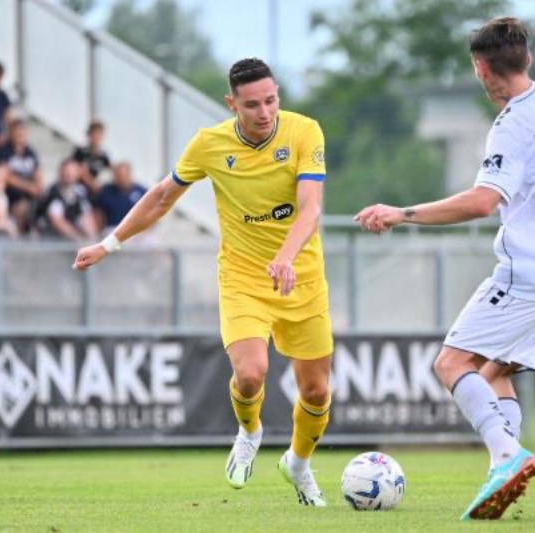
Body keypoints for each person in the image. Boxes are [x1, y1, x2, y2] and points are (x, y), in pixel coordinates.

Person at [354, 17, 535, 521]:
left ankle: (506, 457)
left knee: (451, 365)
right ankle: (501, 470)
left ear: (481, 68)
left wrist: (401, 213)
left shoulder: (511, 126)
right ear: (525, 59)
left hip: (529, 274)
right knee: (496, 371)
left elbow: (482, 203)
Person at [73, 58, 333, 506]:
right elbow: (160, 198)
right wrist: (109, 244)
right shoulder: (209, 145)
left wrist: (287, 257)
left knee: (316, 390)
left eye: (271, 100)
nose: (265, 112)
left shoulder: (305, 132)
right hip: (244, 277)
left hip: (301, 276)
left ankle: (298, 463)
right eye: (252, 105)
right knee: (251, 374)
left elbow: (310, 207)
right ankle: (249, 431)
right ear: (232, 104)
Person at [0, 119, 43, 232]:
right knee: (22, 208)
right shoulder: (4, 151)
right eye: (17, 132)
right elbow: (4, 175)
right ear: (10, 133)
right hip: (11, 196)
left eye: (22, 133)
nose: (19, 135)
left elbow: (38, 173)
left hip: (30, 196)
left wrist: (37, 187)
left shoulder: (30, 152)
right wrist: (28, 187)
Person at [33, 159, 96, 241]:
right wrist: (78, 239)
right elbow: (56, 220)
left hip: (71, 230)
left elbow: (86, 215)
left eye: (72, 171)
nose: (69, 174)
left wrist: (92, 239)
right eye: (66, 171)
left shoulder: (80, 191)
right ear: (60, 173)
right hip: (49, 234)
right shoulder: (53, 191)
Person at [94, 161, 147, 233]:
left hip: (136, 230)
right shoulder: (105, 192)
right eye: (119, 176)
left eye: (124, 175)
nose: (122, 179)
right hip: (113, 229)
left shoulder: (141, 191)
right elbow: (98, 214)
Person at [72, 120, 111, 194]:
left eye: (99, 134)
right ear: (89, 135)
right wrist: (92, 183)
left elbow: (108, 173)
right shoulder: (80, 152)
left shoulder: (104, 156)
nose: (96, 137)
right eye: (94, 134)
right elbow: (79, 171)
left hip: (97, 190)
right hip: (81, 188)